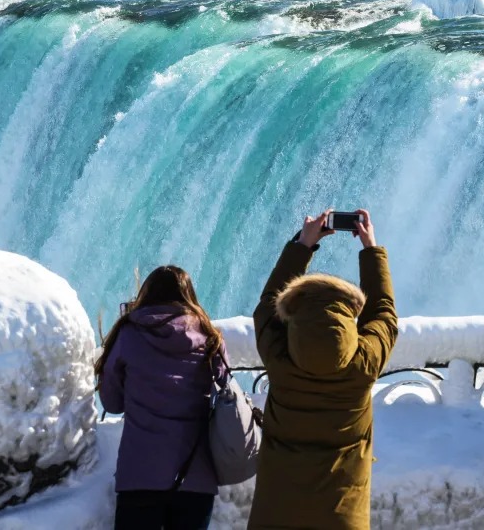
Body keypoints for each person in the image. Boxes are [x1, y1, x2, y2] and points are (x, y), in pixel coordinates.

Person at [248, 208, 398, 530]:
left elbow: (266, 307)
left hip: (276, 516)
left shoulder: (280, 360)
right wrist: (370, 249)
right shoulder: (363, 364)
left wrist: (303, 244)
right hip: (342, 519)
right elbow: (384, 314)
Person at [96, 265, 232, 530]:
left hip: (140, 476)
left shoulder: (129, 334)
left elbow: (111, 404)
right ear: (190, 298)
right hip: (196, 476)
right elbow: (226, 389)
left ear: (146, 295)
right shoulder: (210, 337)